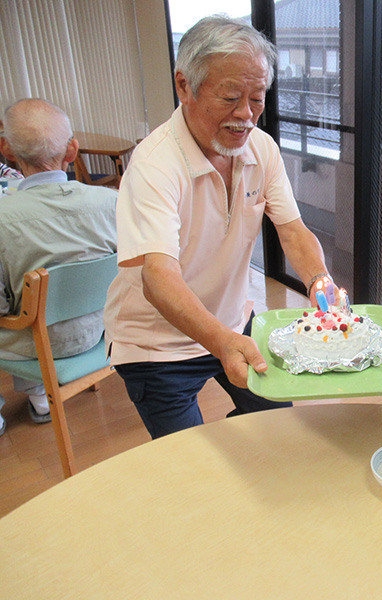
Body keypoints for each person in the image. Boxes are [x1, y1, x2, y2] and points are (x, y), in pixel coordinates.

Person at [104, 15, 335, 439]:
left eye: (257, 98)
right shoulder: (155, 165)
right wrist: (221, 341)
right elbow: (157, 278)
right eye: (230, 96)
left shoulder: (260, 149)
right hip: (158, 345)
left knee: (277, 426)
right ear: (184, 86)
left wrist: (321, 280)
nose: (245, 115)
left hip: (233, 320)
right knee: (189, 460)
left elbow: (293, 231)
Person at [0, 98, 117, 436]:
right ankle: (39, 398)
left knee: (19, 306)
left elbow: (4, 307)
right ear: (72, 150)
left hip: (34, 344)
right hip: (99, 333)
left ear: (7, 149)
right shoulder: (111, 203)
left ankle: (38, 394)